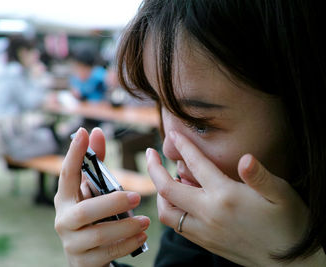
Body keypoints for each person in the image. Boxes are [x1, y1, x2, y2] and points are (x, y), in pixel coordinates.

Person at [54, 1, 326, 266]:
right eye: (160, 102)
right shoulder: (202, 206)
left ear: (302, 113)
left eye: (199, 123)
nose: (169, 149)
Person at [0, 36, 57, 160]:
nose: (36, 56)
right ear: (23, 52)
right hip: (1, 136)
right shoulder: (14, 72)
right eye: (33, 52)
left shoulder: (6, 69)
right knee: (51, 143)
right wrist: (38, 78)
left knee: (46, 136)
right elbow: (30, 102)